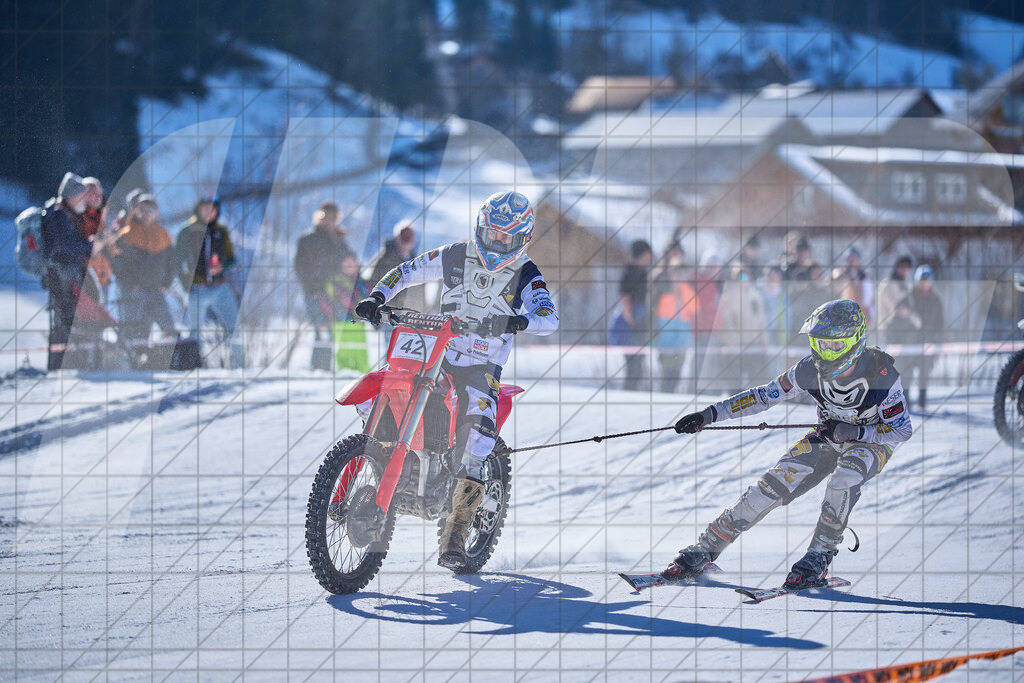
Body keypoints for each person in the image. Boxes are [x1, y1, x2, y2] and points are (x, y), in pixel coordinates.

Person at [354, 191, 558, 570]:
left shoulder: (526, 272)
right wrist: (377, 296)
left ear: (521, 239)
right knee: (387, 385)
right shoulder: (454, 254)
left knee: (476, 435)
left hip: (482, 367)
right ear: (480, 226)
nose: (495, 242)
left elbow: (549, 315)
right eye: (490, 233)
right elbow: (407, 270)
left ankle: (457, 534)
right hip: (438, 352)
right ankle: (377, 464)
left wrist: (518, 320)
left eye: (505, 238)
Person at [664, 299, 912, 590]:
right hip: (828, 437)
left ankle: (818, 556)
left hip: (873, 444)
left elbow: (901, 430)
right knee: (770, 486)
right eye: (820, 344)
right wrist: (710, 414)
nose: (825, 353)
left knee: (843, 480)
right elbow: (763, 396)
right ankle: (706, 547)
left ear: (855, 342)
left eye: (834, 346)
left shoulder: (882, 376)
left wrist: (857, 432)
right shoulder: (808, 370)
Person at [176, 196, 243, 367]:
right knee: (195, 331)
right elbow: (177, 261)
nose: (209, 212)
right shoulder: (187, 230)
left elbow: (231, 259)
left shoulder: (220, 231)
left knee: (235, 327)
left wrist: (222, 266)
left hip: (220, 287)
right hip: (197, 287)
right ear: (198, 210)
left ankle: (238, 367)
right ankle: (194, 365)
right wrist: (186, 285)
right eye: (205, 209)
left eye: (212, 209)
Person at [41, 172, 96, 370]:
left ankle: (64, 365)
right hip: (61, 277)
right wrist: (90, 246)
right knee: (64, 323)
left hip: (63, 276)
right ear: (72, 196)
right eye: (81, 195)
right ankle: (58, 367)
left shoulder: (63, 214)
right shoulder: (59, 216)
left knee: (67, 321)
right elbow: (67, 247)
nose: (85, 201)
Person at [110, 195, 178, 344]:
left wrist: (166, 284)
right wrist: (130, 283)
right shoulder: (127, 233)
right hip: (135, 290)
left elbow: (172, 263)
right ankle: (133, 363)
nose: (147, 215)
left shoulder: (163, 234)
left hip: (156, 289)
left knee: (168, 328)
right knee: (136, 331)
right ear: (136, 211)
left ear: (157, 212)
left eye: (151, 211)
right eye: (142, 211)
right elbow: (118, 263)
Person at [294, 202, 353, 342]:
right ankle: (319, 364)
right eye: (326, 217)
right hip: (316, 294)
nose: (329, 221)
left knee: (337, 336)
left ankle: (332, 364)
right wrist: (313, 289)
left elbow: (350, 264)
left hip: (337, 294)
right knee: (323, 334)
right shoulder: (308, 239)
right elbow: (301, 267)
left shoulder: (339, 241)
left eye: (333, 218)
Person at [653, 243, 697, 393]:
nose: (679, 275)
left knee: (677, 374)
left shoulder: (687, 291)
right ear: (671, 273)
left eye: (682, 272)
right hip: (666, 332)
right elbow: (655, 313)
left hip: (682, 333)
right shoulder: (663, 290)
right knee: (666, 373)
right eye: (676, 272)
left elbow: (695, 309)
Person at [609, 240, 652, 391]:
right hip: (628, 324)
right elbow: (625, 298)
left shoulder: (645, 272)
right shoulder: (630, 271)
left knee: (638, 364)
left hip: (638, 321)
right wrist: (632, 322)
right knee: (633, 364)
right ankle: (628, 394)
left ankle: (632, 391)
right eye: (648, 253)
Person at [900, 265, 944, 411]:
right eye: (922, 280)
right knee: (907, 374)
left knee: (924, 375)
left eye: (927, 279)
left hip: (928, 343)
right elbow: (899, 314)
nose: (925, 283)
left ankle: (922, 403)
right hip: (910, 343)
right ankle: (905, 403)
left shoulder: (936, 300)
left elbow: (940, 325)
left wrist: (938, 346)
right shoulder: (909, 297)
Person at [366, 219, 421, 310]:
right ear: (396, 237)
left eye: (410, 235)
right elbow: (373, 284)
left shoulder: (418, 263)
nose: (407, 238)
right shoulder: (384, 258)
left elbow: (419, 293)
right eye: (404, 234)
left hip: (409, 314)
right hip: (386, 312)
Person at [329, 253, 370, 372]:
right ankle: (344, 373)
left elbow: (365, 296)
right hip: (340, 321)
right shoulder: (336, 280)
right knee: (344, 350)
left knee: (360, 350)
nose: (350, 267)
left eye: (353, 264)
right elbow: (335, 299)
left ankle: (363, 374)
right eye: (347, 264)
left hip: (357, 322)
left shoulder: (360, 281)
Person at [876, 256, 914, 342]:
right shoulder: (888, 284)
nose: (905, 271)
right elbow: (898, 308)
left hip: (901, 329)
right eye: (902, 267)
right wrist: (913, 318)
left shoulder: (904, 286)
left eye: (907, 268)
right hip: (888, 329)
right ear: (897, 267)